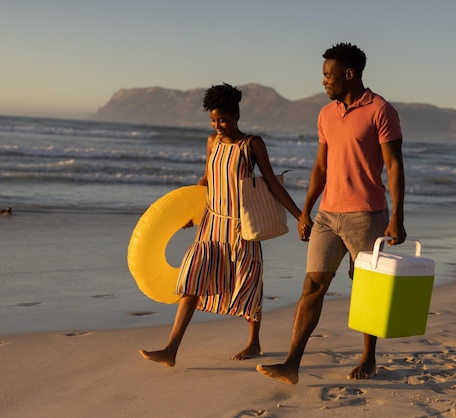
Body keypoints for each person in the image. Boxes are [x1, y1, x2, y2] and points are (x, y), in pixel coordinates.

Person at [256, 42, 407, 384]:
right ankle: (291, 364)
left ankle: (368, 357)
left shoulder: (381, 110)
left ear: (349, 74)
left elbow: (394, 166)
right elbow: (320, 167)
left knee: (366, 288)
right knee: (312, 285)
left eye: (328, 74)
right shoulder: (326, 114)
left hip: (366, 215)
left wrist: (397, 215)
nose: (323, 81)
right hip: (327, 215)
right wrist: (305, 210)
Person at [139, 83, 302, 367]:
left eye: (223, 120)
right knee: (191, 281)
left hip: (241, 229)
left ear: (236, 115)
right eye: (213, 121)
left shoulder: (251, 144)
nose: (218, 126)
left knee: (248, 283)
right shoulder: (212, 142)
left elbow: (272, 184)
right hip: (211, 225)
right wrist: (187, 212)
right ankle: (171, 349)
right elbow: (205, 181)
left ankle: (254, 342)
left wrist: (300, 215)